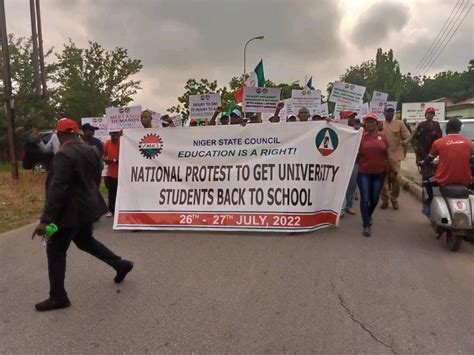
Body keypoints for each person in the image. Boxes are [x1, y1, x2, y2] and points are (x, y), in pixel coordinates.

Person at [31, 118, 133, 312]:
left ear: (60, 134)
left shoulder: (63, 155)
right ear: (76, 132)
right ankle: (121, 264)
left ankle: (58, 297)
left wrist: (46, 220)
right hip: (87, 208)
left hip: (68, 212)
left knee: (56, 250)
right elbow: (94, 179)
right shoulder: (92, 150)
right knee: (86, 241)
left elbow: (58, 187)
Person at [422, 118, 474, 214]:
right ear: (459, 129)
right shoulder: (469, 143)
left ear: (447, 128)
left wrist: (423, 163)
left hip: (443, 178)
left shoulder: (439, 142)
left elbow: (429, 159)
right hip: (465, 179)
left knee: (426, 182)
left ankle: (427, 206)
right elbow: (471, 160)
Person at [357, 113, 389, 237]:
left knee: (374, 199)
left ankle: (368, 215)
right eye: (367, 121)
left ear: (376, 123)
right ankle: (366, 225)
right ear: (365, 123)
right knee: (365, 199)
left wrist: (390, 169)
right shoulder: (360, 137)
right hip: (364, 172)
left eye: (372, 121)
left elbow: (387, 154)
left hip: (379, 173)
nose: (369, 123)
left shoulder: (383, 137)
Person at [380, 104, 410, 210]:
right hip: (382, 157)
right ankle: (385, 200)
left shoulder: (400, 123)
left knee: (397, 179)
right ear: (384, 113)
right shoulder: (380, 124)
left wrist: (405, 142)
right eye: (388, 111)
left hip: (395, 156)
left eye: (392, 111)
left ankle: (394, 198)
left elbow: (407, 136)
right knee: (383, 180)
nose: (390, 113)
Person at [412, 107, 442, 182]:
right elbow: (416, 137)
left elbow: (440, 136)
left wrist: (435, 134)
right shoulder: (422, 125)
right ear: (425, 115)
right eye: (429, 113)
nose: (430, 115)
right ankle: (426, 186)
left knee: (435, 170)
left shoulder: (436, 124)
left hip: (435, 150)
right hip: (424, 151)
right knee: (426, 172)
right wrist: (417, 149)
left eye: (432, 114)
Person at [343, 115, 361, 215]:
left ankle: (348, 206)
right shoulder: (342, 131)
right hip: (342, 161)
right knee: (341, 185)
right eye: (352, 123)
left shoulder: (360, 133)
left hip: (355, 161)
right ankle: (340, 208)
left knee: (352, 185)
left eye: (357, 123)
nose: (355, 125)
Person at [103, 131, 120, 217]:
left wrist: (115, 160)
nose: (115, 136)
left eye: (117, 134)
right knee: (111, 192)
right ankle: (111, 210)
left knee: (120, 193)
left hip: (121, 173)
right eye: (113, 134)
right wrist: (105, 159)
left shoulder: (122, 143)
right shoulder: (107, 143)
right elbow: (103, 154)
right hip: (111, 173)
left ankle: (120, 210)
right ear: (110, 134)